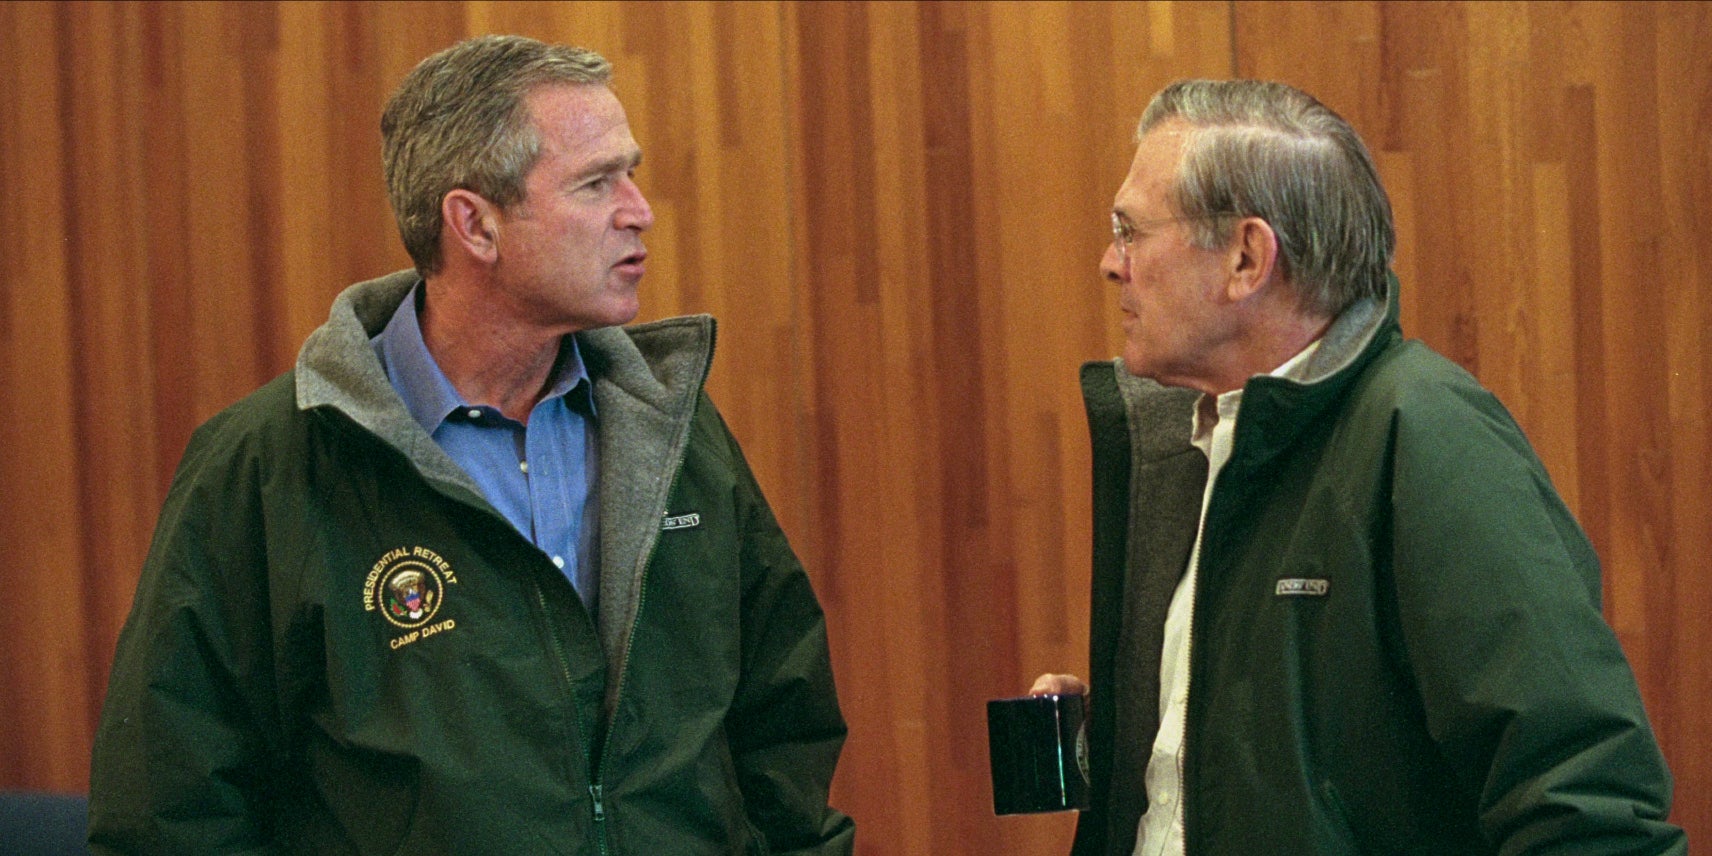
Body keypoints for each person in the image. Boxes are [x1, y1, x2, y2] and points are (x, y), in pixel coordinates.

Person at [89, 34, 854, 855]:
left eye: (629, 172)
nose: (640, 210)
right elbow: (169, 808)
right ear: (475, 225)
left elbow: (785, 724)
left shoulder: (671, 429)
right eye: (597, 183)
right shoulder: (266, 467)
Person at [1031, 79, 1685, 854]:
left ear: (1246, 258)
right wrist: (1142, 726)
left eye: (1130, 230)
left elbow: (1582, 802)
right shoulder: (1203, 443)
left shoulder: (1430, 434)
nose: (1112, 263)